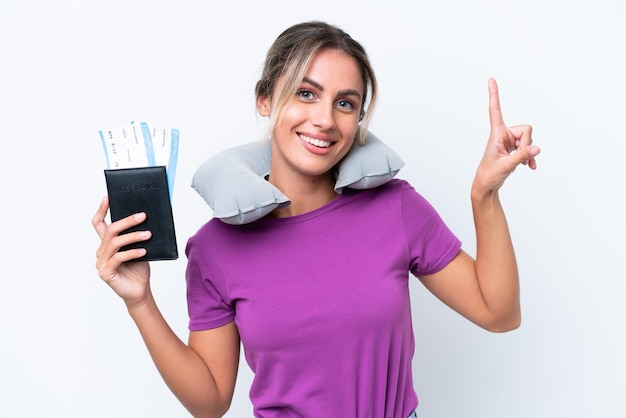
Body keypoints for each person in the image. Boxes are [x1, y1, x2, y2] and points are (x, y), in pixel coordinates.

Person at [92, 21, 540, 418]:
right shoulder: (215, 248)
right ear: (265, 100)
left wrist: (485, 194)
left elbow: (499, 313)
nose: (324, 119)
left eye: (345, 104)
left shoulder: (395, 208)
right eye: (306, 94)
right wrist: (140, 302)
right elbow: (210, 402)